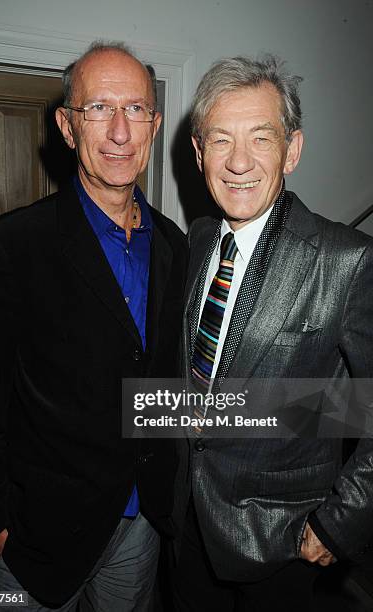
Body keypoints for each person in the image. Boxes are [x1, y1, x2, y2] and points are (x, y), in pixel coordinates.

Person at [0, 41, 187, 611]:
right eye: (98, 109)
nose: (119, 131)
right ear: (67, 127)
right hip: (34, 537)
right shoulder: (8, 249)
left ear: (154, 126)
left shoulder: (175, 247)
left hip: (140, 526)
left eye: (135, 109)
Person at [171, 54, 373, 611]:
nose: (238, 162)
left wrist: (340, 523)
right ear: (197, 152)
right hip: (186, 525)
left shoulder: (345, 260)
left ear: (293, 150)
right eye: (220, 141)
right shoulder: (194, 241)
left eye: (261, 138)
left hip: (283, 542)